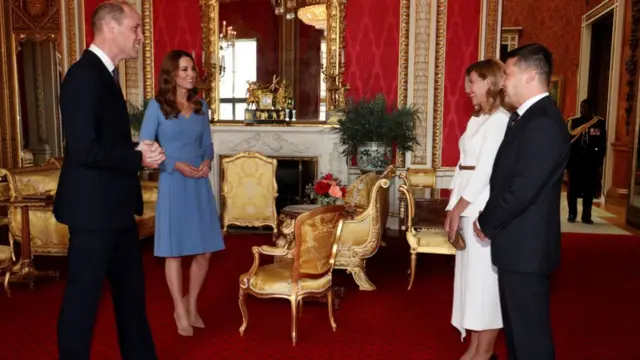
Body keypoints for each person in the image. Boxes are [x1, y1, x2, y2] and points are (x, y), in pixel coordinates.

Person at [54, 1, 161, 359]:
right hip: (92, 213)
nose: (141, 37)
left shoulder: (106, 75)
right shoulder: (83, 76)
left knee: (132, 298)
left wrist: (135, 147)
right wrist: (136, 157)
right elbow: (84, 150)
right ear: (110, 28)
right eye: (135, 28)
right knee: (82, 303)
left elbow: (104, 142)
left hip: (115, 211)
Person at [474, 43, 570, 360]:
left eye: (509, 73)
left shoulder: (542, 122)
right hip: (517, 247)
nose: (503, 82)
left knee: (531, 340)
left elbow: (521, 188)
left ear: (530, 75)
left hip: (527, 249)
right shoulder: (526, 118)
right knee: (517, 335)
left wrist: (487, 222)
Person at [139, 50, 225, 337]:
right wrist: (174, 164)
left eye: (192, 69)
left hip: (199, 183)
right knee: (174, 252)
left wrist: (206, 162)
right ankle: (178, 307)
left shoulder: (201, 107)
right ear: (172, 74)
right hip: (174, 183)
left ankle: (192, 302)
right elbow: (145, 149)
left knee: (205, 251)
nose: (191, 74)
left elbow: (207, 145)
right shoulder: (156, 107)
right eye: (184, 69)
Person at [445, 59, 509, 360]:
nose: (467, 88)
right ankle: (474, 347)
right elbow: (462, 167)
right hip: (466, 207)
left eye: (473, 81)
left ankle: (485, 352)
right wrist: (452, 207)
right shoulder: (477, 120)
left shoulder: (500, 120)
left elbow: (484, 172)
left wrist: (459, 209)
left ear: (490, 82)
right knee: (471, 283)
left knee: (485, 285)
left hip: (482, 210)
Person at [566, 98, 607, 224]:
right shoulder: (572, 122)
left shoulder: (599, 123)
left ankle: (586, 215)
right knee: (572, 189)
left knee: (589, 190)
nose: (582, 109)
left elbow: (601, 145)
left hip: (590, 161)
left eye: (584, 107)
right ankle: (572, 214)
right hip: (575, 161)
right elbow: (567, 142)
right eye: (581, 107)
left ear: (591, 109)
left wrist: (599, 162)